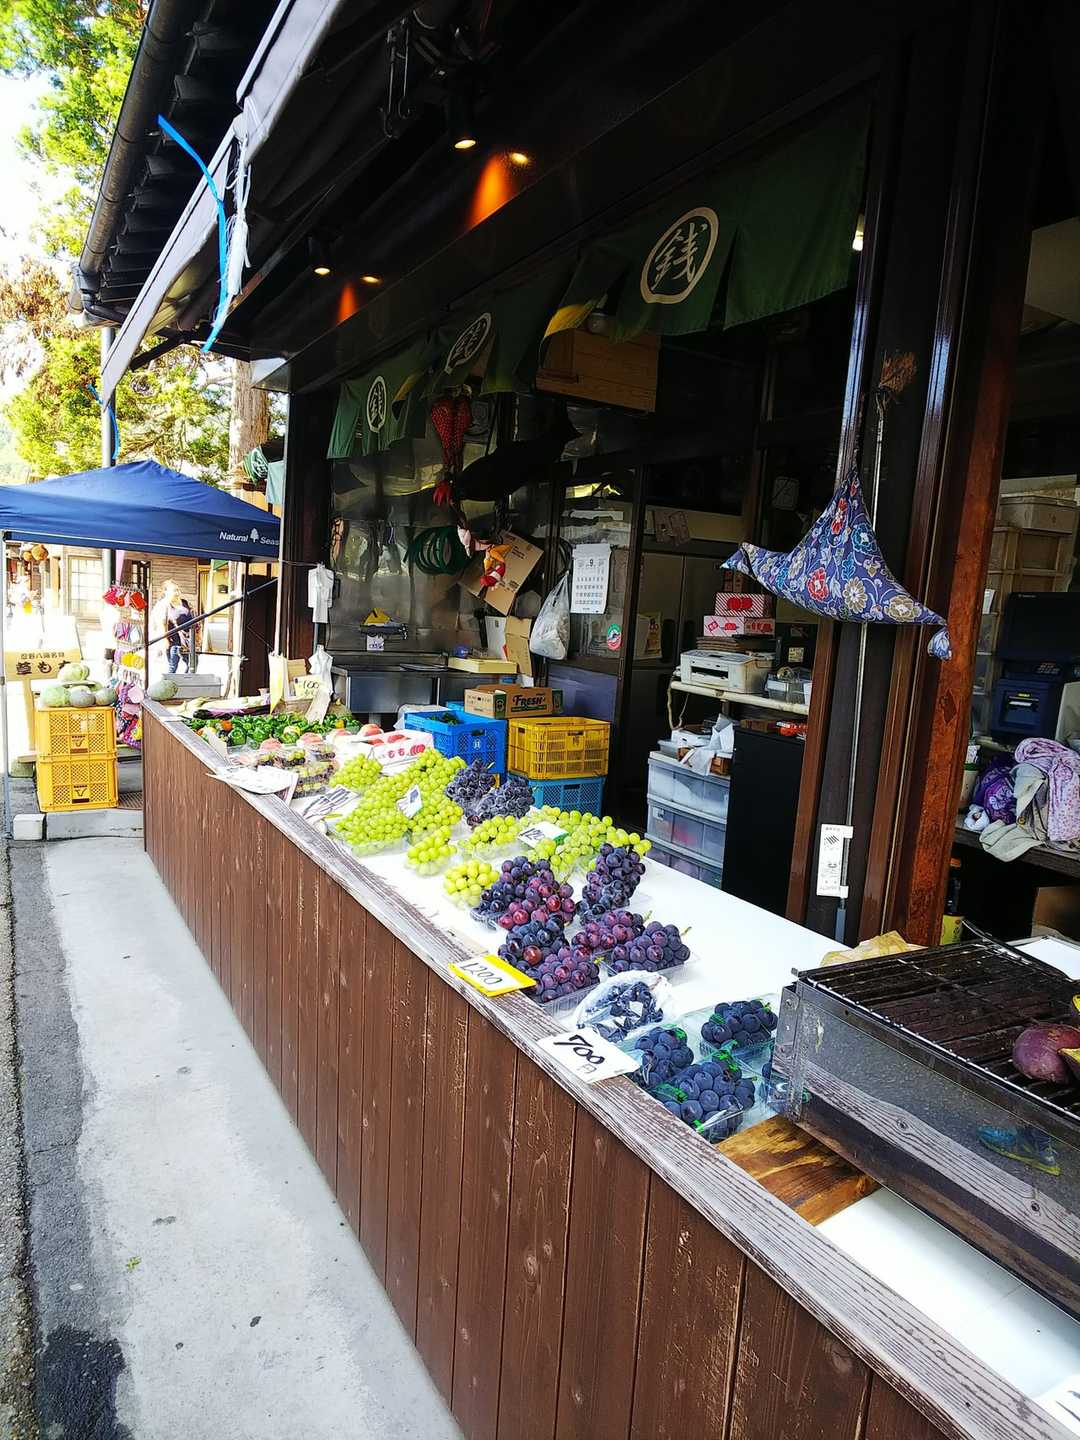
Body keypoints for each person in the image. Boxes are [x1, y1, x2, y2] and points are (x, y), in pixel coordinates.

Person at [150, 581, 196, 674]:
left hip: (187, 640)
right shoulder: (163, 605)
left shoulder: (185, 603)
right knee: (173, 666)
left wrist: (198, 634)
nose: (177, 592)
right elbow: (161, 623)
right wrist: (164, 639)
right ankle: (168, 682)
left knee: (192, 664)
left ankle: (185, 680)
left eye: (178, 590)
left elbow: (194, 617)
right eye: (174, 590)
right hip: (173, 640)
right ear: (166, 592)